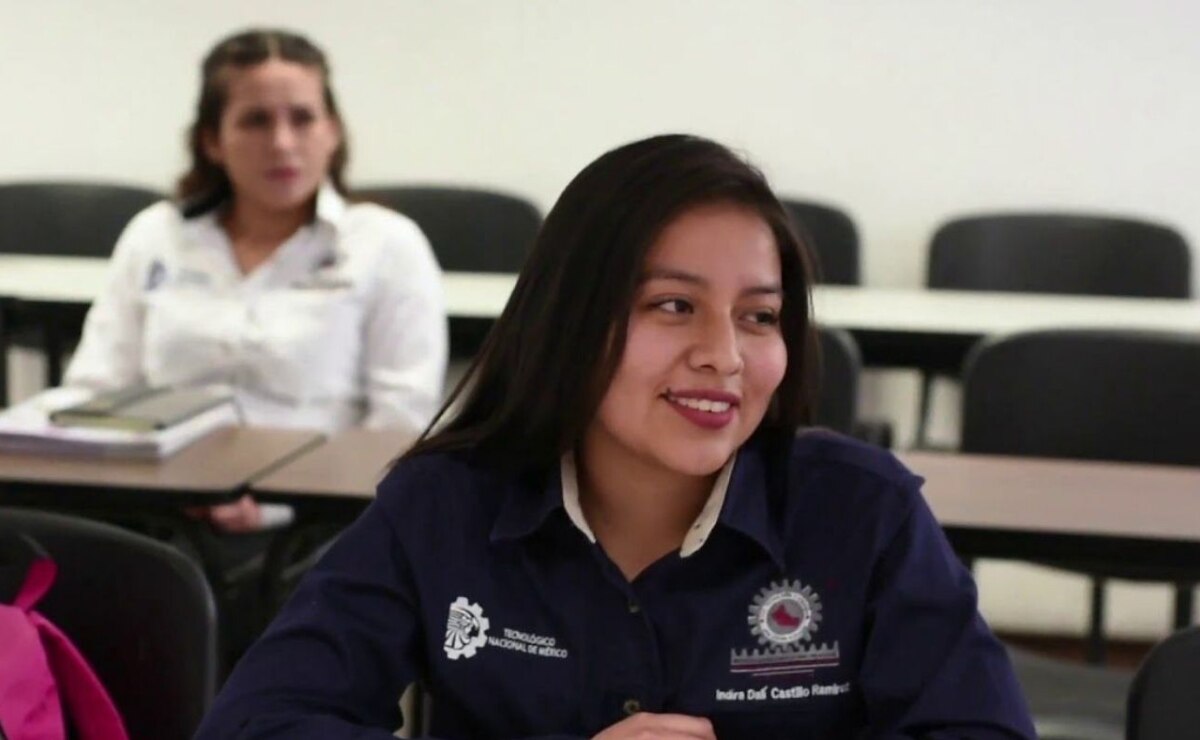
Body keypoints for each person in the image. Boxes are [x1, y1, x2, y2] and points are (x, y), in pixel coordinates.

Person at [195, 135, 1035, 739]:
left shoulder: (862, 514)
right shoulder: (447, 502)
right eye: (673, 305)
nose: (724, 356)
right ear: (572, 317)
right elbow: (262, 720)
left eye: (761, 316)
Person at [64, 29, 447, 532]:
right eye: (256, 121)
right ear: (212, 141)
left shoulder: (387, 245)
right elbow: (95, 389)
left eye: (303, 118)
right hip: (156, 508)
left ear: (332, 132)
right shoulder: (156, 235)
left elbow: (399, 426)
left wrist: (274, 506)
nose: (283, 143)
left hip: (319, 521)